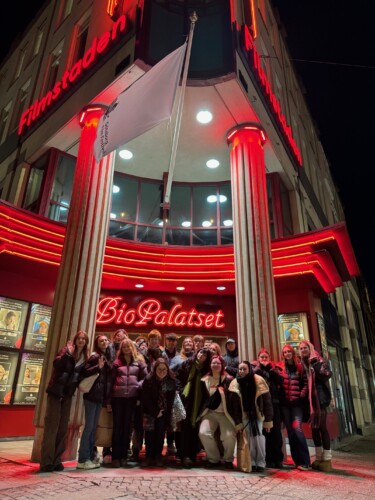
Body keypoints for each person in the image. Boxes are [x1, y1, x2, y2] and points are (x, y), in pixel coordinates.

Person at [39, 330, 89, 472]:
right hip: (56, 392)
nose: (80, 341)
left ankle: (56, 460)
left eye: (83, 339)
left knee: (62, 428)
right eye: (79, 338)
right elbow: (57, 365)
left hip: (68, 395)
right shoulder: (66, 350)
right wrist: (68, 354)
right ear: (75, 340)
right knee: (51, 427)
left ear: (86, 342)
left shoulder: (84, 358)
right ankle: (46, 461)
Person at [198, 355, 242, 469]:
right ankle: (213, 458)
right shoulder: (204, 380)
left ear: (222, 365)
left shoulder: (229, 380)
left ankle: (228, 459)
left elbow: (235, 400)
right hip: (210, 413)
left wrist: (237, 420)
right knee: (203, 433)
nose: (215, 365)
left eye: (218, 363)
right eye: (213, 363)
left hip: (225, 413)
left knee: (229, 435)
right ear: (210, 365)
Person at [109, 338, 147, 468]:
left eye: (128, 347)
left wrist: (137, 386)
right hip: (117, 398)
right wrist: (108, 400)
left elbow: (145, 378)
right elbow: (111, 381)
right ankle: (116, 456)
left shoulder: (139, 363)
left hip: (132, 398)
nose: (126, 349)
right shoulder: (117, 363)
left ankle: (124, 456)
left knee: (127, 428)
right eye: (124, 347)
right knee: (117, 427)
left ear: (132, 348)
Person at [77, 335, 112, 470]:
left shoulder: (105, 355)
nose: (104, 342)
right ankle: (83, 459)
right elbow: (84, 372)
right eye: (101, 340)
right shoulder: (94, 356)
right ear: (97, 343)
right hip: (91, 396)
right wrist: (98, 367)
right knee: (89, 428)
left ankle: (90, 457)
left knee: (93, 428)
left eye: (105, 340)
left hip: (98, 397)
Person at [230, 361, 273, 472]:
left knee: (258, 438)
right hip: (244, 415)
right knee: (248, 439)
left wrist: (268, 420)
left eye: (244, 369)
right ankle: (252, 462)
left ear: (249, 369)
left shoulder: (258, 380)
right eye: (240, 369)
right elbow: (234, 406)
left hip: (257, 415)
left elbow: (267, 401)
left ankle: (261, 462)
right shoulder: (235, 383)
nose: (242, 371)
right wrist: (238, 422)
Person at [172, 348, 212, 468]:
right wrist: (179, 390)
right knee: (184, 427)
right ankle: (184, 455)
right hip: (186, 399)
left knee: (195, 428)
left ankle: (192, 455)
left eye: (205, 354)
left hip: (199, 401)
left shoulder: (207, 369)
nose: (202, 355)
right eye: (200, 353)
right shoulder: (187, 363)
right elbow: (176, 377)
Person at [299, 340, 333, 472]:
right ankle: (318, 457)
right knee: (314, 428)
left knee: (322, 428)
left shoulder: (318, 360)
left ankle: (327, 459)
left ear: (310, 348)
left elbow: (327, 375)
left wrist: (315, 364)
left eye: (305, 348)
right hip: (310, 401)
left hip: (320, 399)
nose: (303, 350)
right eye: (301, 348)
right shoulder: (302, 364)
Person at [279, 344, 311, 471]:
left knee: (297, 429)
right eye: (285, 352)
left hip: (297, 405)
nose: (287, 353)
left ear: (292, 352)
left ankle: (306, 461)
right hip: (285, 405)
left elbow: (305, 383)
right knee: (290, 432)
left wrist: (301, 395)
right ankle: (297, 461)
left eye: (289, 351)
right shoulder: (281, 368)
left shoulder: (300, 367)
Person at [252, 348, 285, 468]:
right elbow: (253, 377)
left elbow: (280, 380)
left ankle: (278, 458)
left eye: (266, 357)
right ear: (258, 359)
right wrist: (260, 368)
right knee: (263, 433)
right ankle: (267, 458)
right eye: (262, 357)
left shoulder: (274, 369)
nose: (264, 359)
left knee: (275, 432)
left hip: (274, 404)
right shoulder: (255, 369)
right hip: (261, 404)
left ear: (269, 358)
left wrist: (270, 370)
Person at [141, 358, 176, 467]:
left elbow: (170, 398)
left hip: (163, 412)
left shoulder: (169, 380)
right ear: (155, 369)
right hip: (150, 412)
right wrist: (156, 412)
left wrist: (164, 412)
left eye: (164, 369)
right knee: (149, 435)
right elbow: (145, 398)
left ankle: (158, 456)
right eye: (159, 369)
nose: (162, 372)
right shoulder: (149, 380)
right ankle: (149, 457)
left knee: (160, 435)